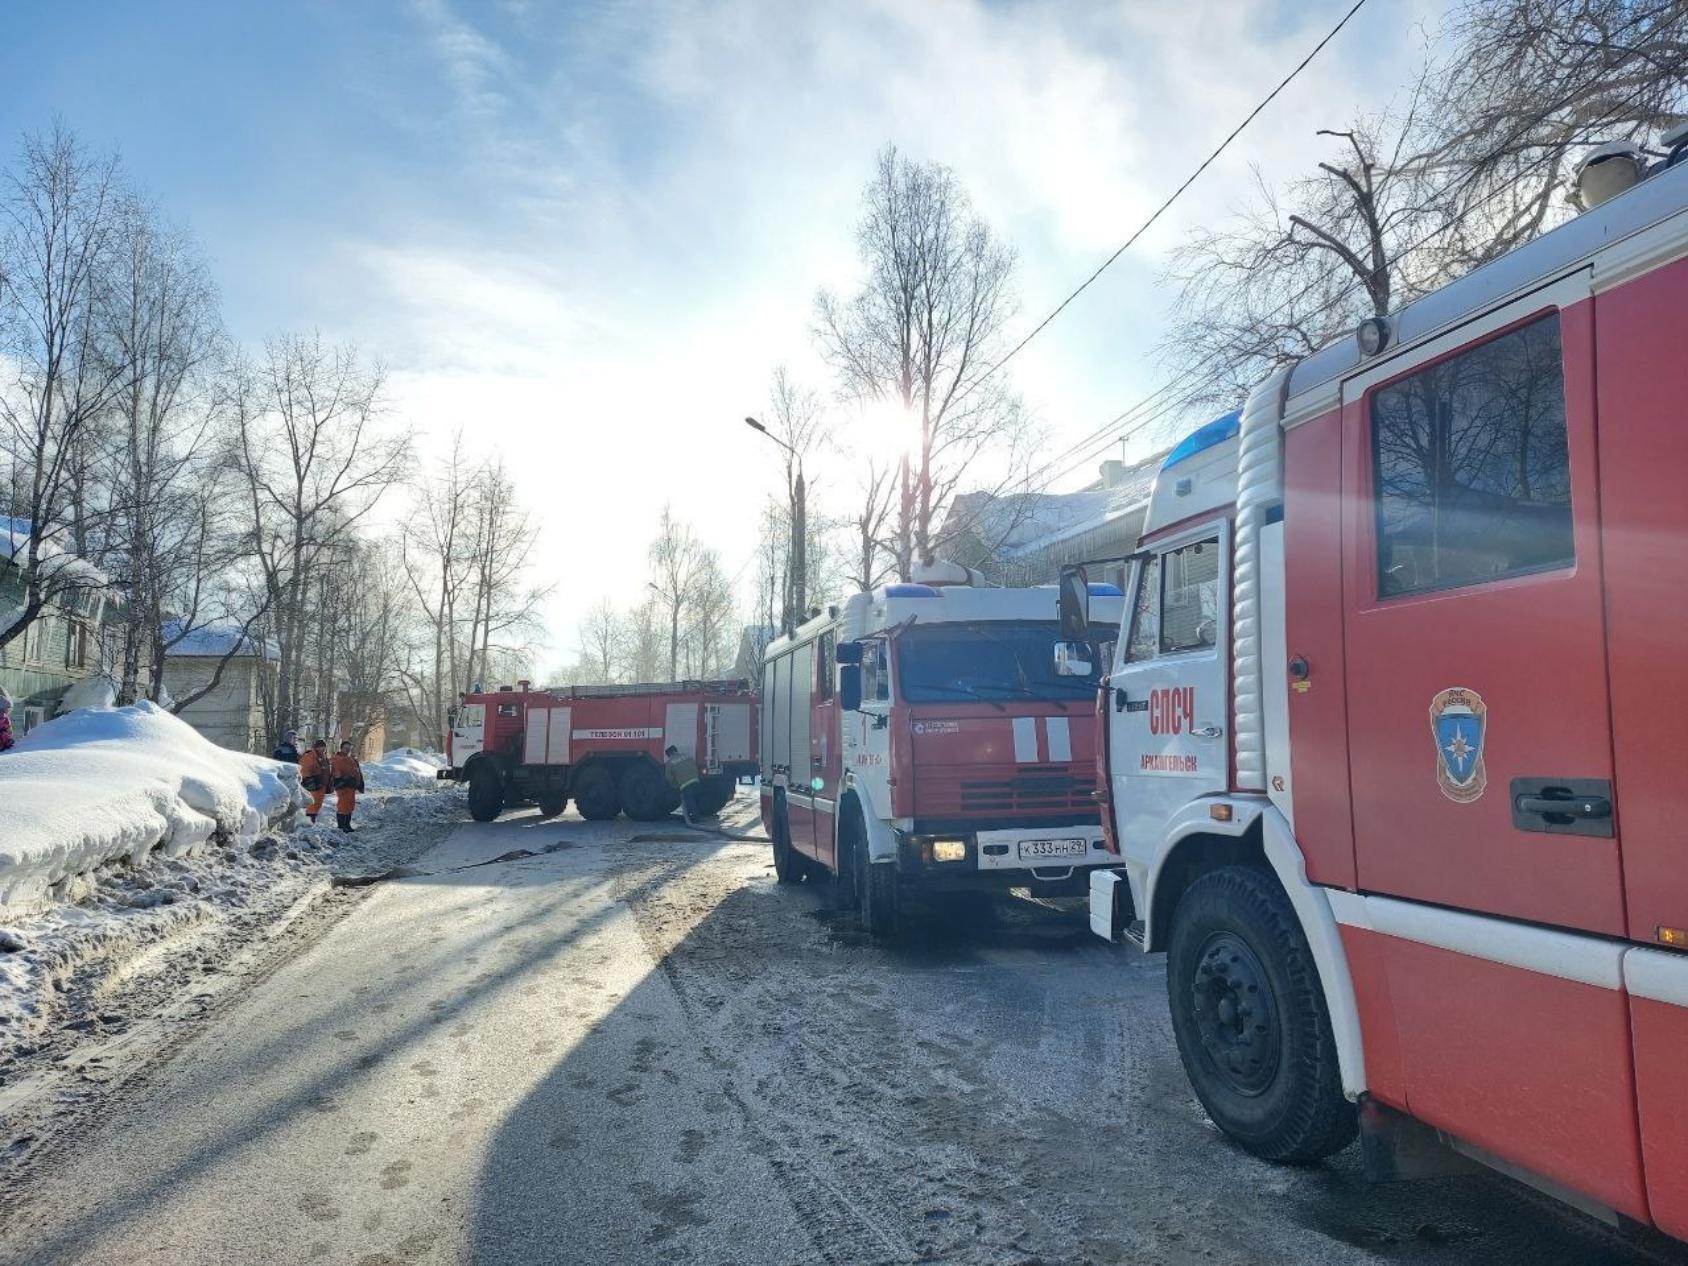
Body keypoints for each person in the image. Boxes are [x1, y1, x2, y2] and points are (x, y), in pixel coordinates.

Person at [663, 744, 703, 825]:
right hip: (696, 781)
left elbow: (668, 778)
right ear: (676, 751)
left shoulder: (669, 763)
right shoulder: (687, 756)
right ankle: (696, 815)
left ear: (668, 755)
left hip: (685, 785)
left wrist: (674, 786)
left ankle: (695, 818)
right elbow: (694, 765)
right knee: (696, 800)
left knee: (689, 802)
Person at [330, 740, 365, 833]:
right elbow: (336, 772)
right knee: (343, 805)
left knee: (350, 805)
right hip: (343, 785)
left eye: (349, 748)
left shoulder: (351, 759)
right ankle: (341, 826)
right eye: (346, 748)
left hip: (351, 786)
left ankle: (347, 825)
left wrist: (360, 783)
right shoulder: (337, 758)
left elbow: (357, 771)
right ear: (341, 748)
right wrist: (342, 780)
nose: (348, 750)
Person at [298, 739, 329, 824]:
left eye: (324, 747)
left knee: (317, 804)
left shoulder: (322, 757)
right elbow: (304, 770)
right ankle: (308, 822)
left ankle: (312, 820)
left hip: (320, 785)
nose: (322, 749)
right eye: (320, 747)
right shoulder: (309, 756)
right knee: (311, 804)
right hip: (312, 784)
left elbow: (327, 770)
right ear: (316, 747)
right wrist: (310, 783)